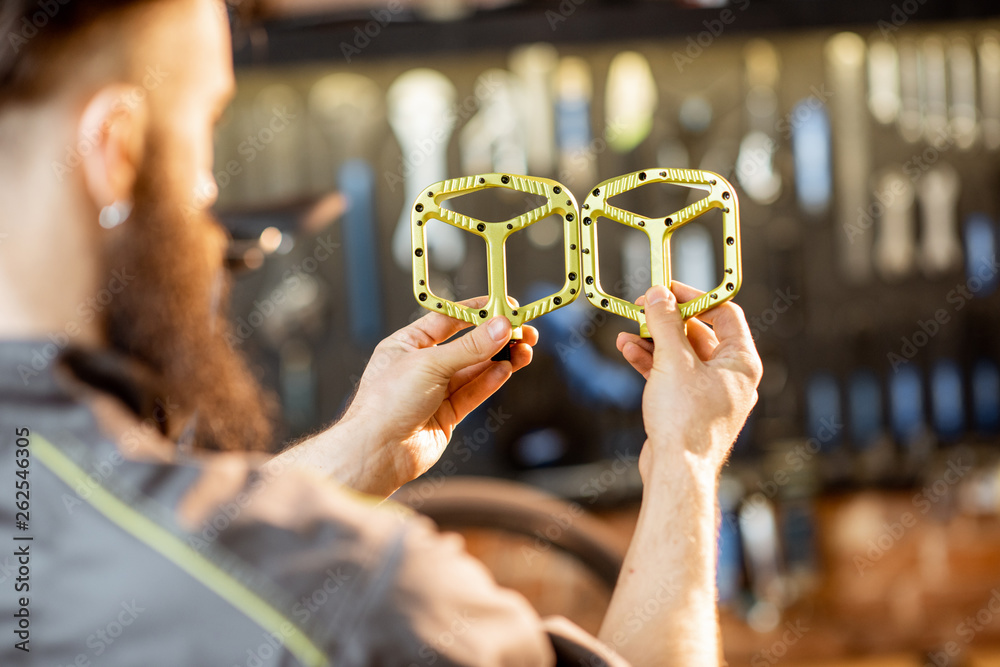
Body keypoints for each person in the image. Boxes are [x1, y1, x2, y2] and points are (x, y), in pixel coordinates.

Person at [0, 1, 762, 665]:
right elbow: (226, 582)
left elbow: (166, 569)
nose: (208, 196)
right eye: (204, 129)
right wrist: (686, 460)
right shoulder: (363, 602)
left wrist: (359, 448)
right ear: (119, 149)